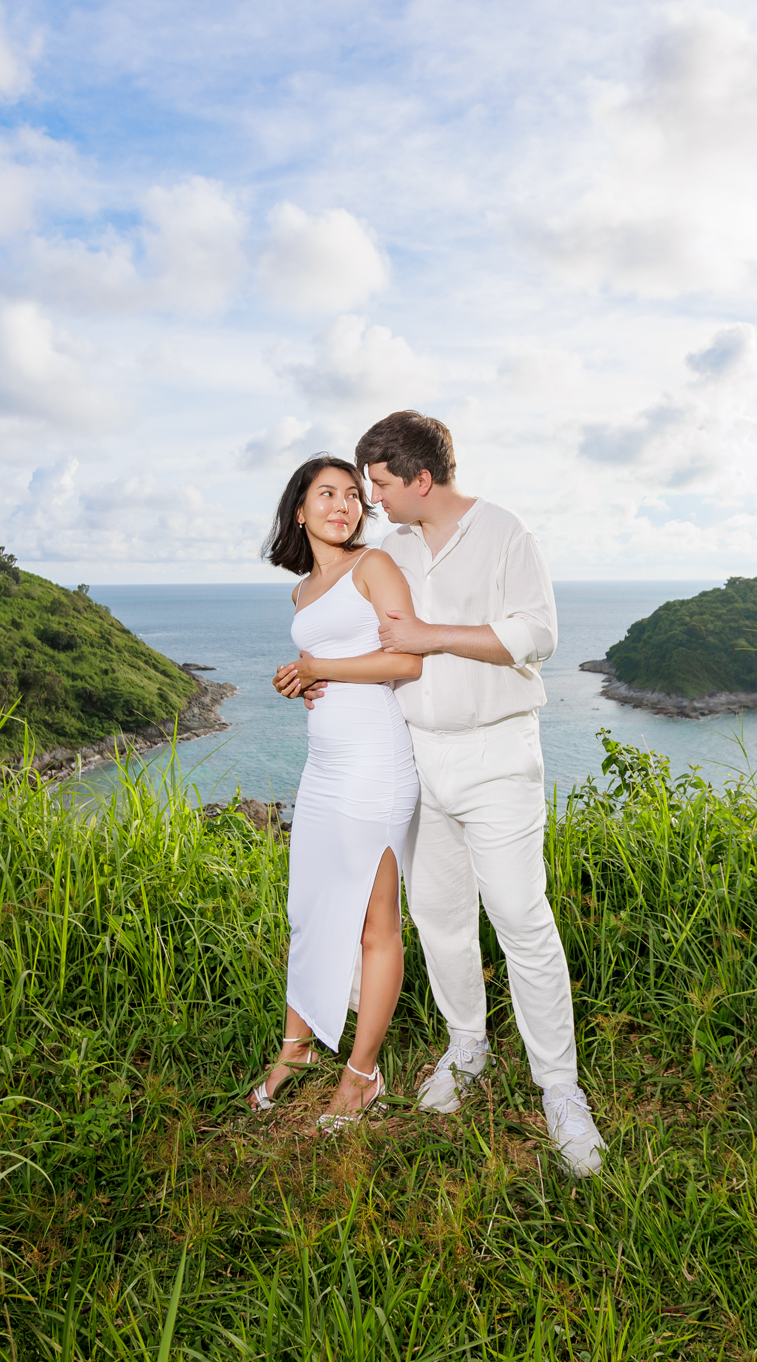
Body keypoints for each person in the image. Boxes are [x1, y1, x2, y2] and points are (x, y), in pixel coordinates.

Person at [280, 410, 605, 1176]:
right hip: (415, 758)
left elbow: (539, 634)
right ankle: (468, 1049)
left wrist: (434, 636)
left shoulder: (505, 534)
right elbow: (348, 632)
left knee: (522, 919)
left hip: (496, 754)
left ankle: (560, 1089)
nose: (373, 500)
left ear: (421, 480)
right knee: (439, 918)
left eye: (382, 486)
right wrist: (314, 673)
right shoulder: (388, 549)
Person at [251, 455, 425, 1130]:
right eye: (327, 494)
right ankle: (296, 1047)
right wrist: (297, 681)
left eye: (353, 494)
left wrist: (319, 665)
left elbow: (405, 659)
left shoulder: (373, 565)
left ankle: (362, 1075)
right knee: (311, 908)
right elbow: (325, 670)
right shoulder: (302, 590)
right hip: (322, 767)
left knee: (374, 924)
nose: (343, 505)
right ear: (299, 508)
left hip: (375, 764)